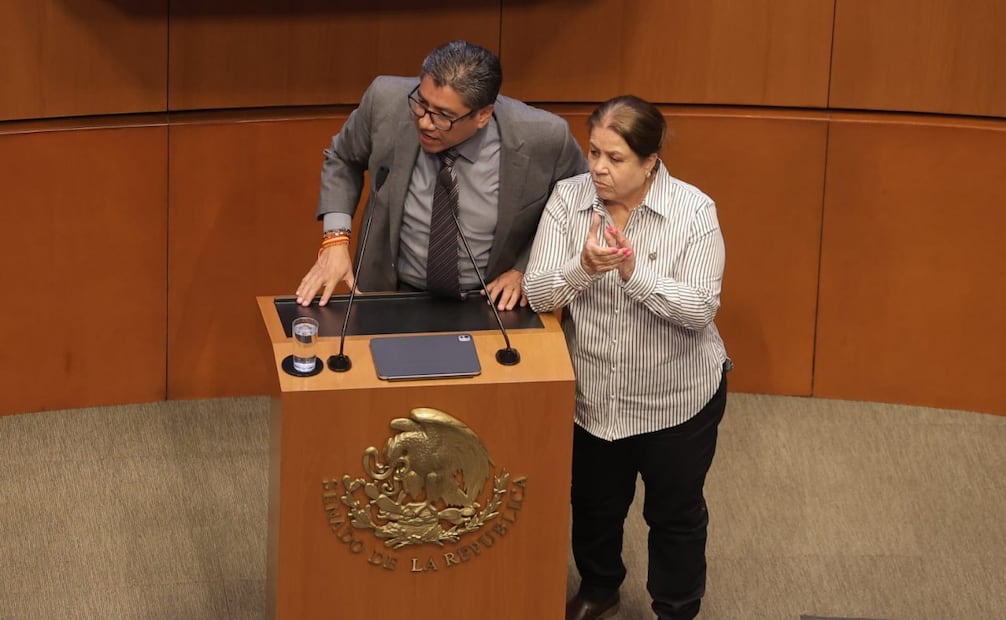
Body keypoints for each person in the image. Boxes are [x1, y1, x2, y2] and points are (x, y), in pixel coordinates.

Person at [522, 95, 731, 620]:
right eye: (593, 152)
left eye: (614, 159)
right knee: (594, 506)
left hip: (677, 398)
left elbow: (700, 308)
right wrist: (583, 269)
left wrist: (633, 275)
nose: (597, 168)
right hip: (593, 394)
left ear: (650, 161)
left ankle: (676, 608)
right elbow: (538, 293)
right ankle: (599, 588)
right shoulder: (569, 200)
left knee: (675, 512)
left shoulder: (693, 211)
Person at [295, 40, 587, 310]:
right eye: (421, 103)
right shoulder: (386, 100)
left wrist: (527, 267)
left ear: (482, 115)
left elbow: (581, 201)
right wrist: (335, 239)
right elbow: (343, 158)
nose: (424, 122)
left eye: (443, 116)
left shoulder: (544, 137)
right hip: (389, 293)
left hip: (488, 301)